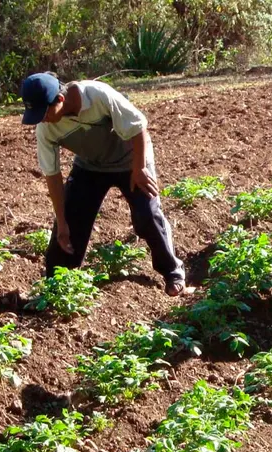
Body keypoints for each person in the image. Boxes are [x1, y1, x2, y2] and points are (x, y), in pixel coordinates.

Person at [21, 72, 187, 296]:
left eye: (44, 112)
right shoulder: (46, 129)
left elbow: (138, 126)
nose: (42, 119)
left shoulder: (97, 95)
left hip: (131, 159)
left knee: (146, 216)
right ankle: (57, 286)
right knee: (70, 224)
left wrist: (139, 169)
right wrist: (61, 222)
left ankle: (173, 272)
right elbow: (53, 175)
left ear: (59, 100)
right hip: (90, 166)